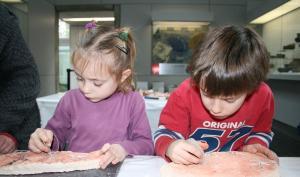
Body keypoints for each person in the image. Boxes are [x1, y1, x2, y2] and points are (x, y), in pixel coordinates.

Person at [28, 23, 154, 169]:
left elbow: (146, 145)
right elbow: (55, 139)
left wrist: (124, 148)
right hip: (76, 171)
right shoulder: (70, 100)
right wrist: (44, 140)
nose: (86, 89)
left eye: (97, 83)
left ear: (122, 76)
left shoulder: (132, 101)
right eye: (80, 79)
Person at [154, 25, 278, 165]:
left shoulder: (262, 96)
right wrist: (171, 147)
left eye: (229, 99)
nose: (216, 109)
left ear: (250, 88)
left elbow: (260, 132)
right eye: (207, 94)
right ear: (197, 79)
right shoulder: (184, 93)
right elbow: (166, 134)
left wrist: (254, 145)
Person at [0, 4, 41, 154]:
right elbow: (57, 134)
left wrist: (7, 130)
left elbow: (25, 78)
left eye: (97, 83)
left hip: (10, 126)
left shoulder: (3, 19)